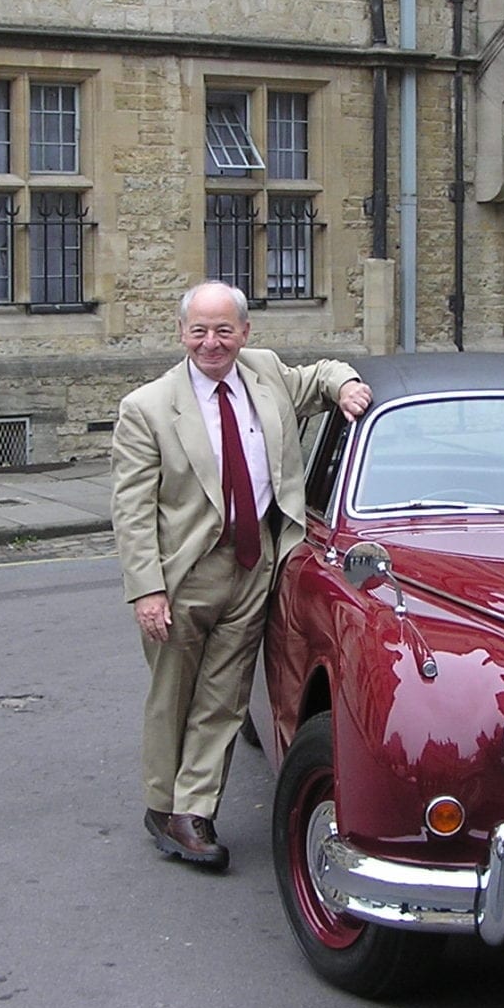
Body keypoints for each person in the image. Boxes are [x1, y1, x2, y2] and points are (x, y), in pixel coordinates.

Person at [110, 281, 371, 871]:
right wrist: (147, 589)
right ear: (182, 335)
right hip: (185, 575)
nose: (212, 342)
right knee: (173, 696)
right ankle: (161, 803)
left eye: (224, 330)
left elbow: (322, 373)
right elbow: (131, 510)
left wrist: (345, 384)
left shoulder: (266, 374)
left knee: (224, 699)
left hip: (255, 566)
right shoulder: (147, 408)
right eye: (199, 330)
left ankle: (194, 812)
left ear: (244, 333)